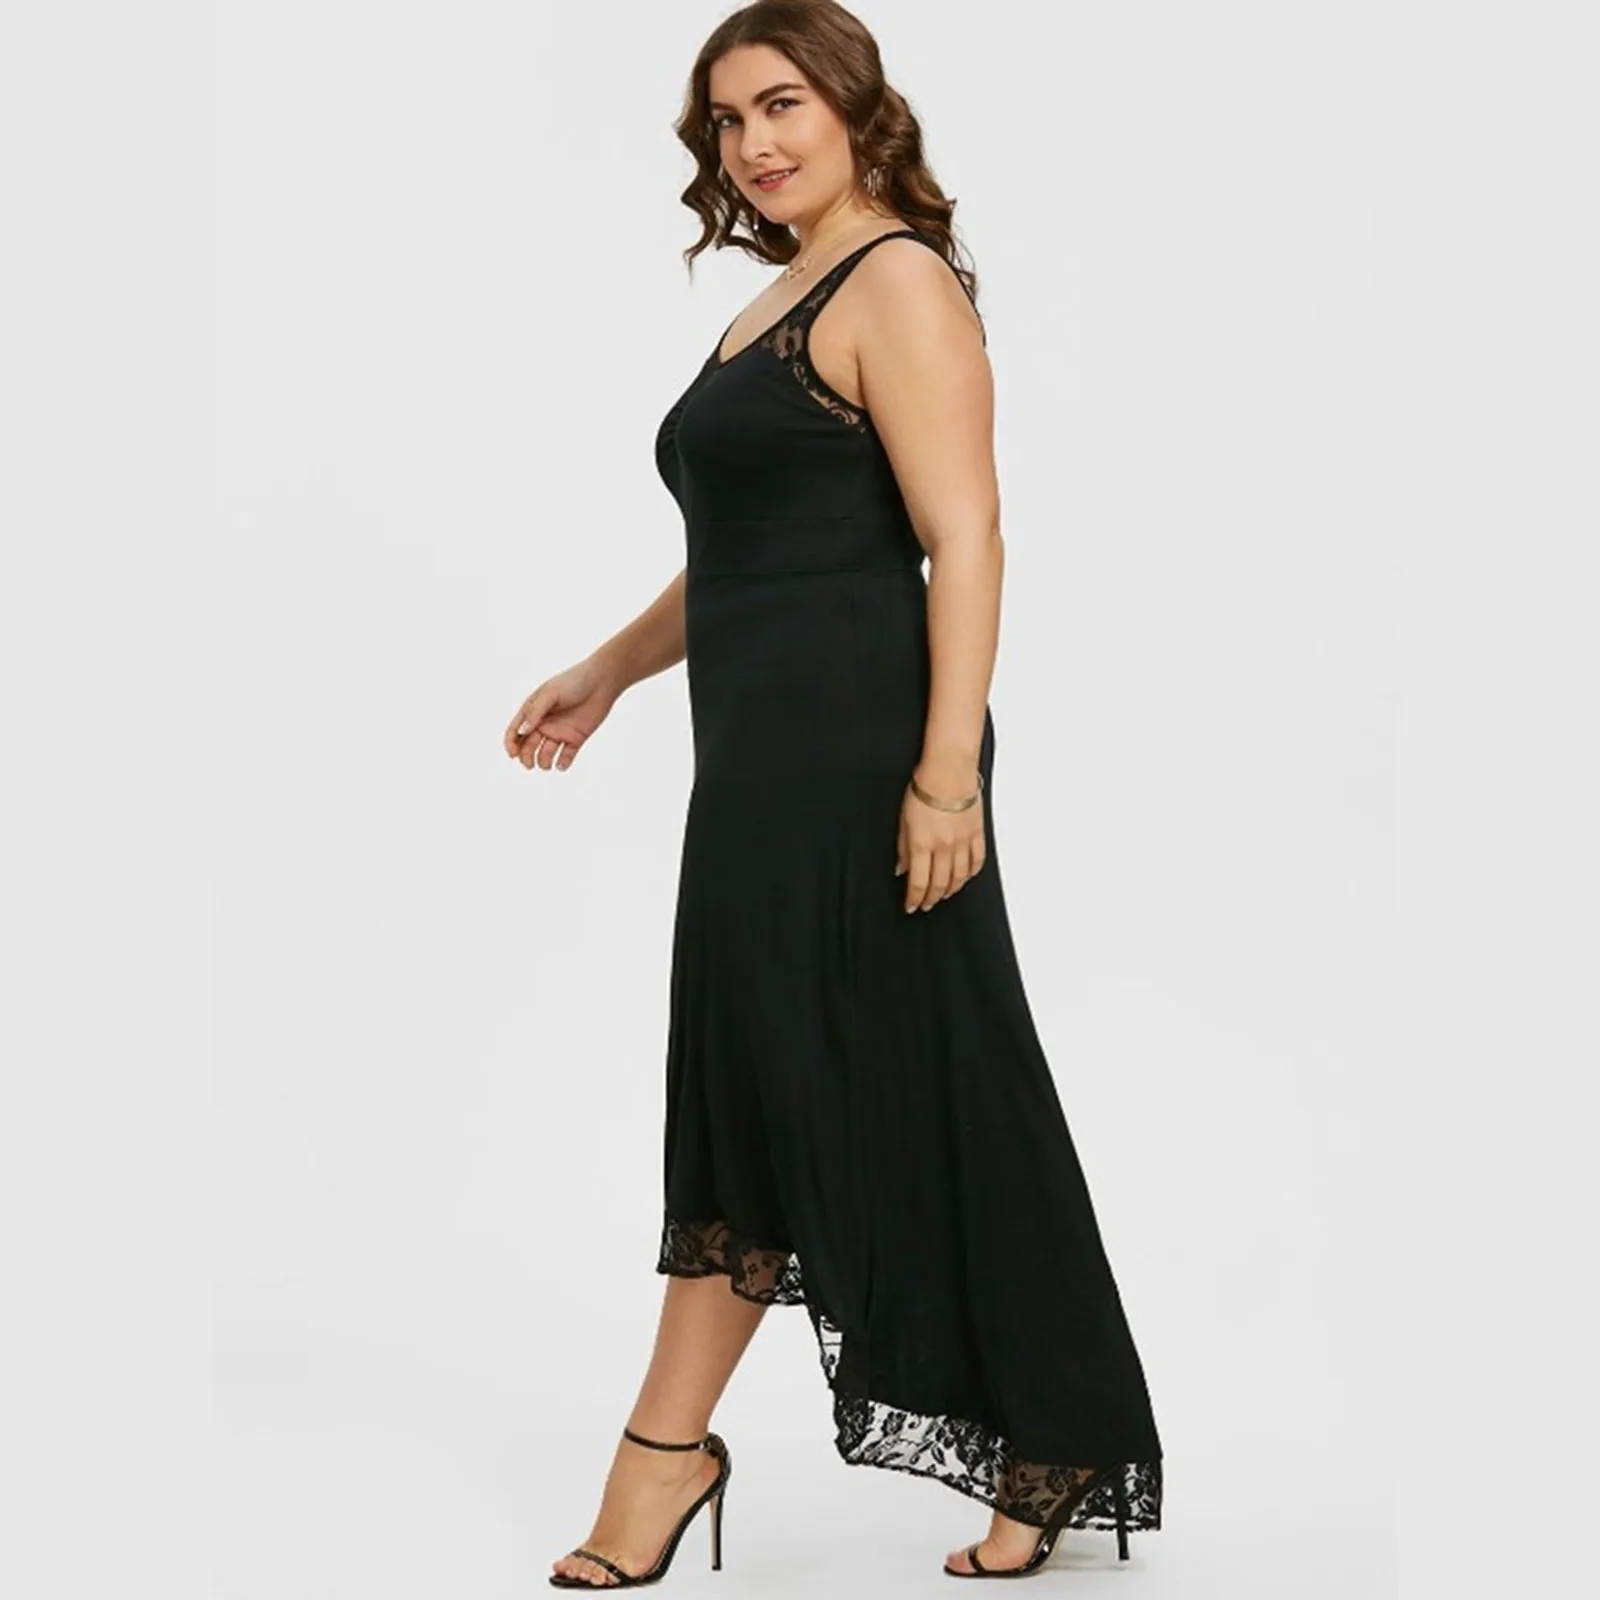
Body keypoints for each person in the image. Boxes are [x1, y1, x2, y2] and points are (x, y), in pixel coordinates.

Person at [504, 2, 1163, 1586]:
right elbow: (751, 557)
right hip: (756, 771)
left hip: (871, 762)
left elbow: (966, 535)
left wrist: (945, 776)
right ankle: (993, 1436)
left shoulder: (897, 284)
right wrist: (608, 670)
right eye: (727, 122)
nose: (753, 144)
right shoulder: (783, 295)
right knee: (771, 1095)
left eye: (782, 103)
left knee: (909, 1095)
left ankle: (671, 1458)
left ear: (860, 106)